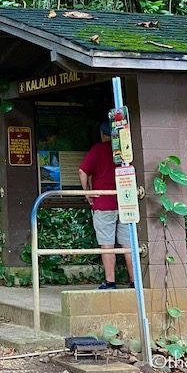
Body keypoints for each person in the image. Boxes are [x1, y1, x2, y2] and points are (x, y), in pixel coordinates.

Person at [78, 120, 135, 290]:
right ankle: (134, 281)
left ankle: (110, 282)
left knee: (107, 244)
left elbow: (82, 171)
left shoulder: (98, 149)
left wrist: (87, 192)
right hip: (125, 202)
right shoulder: (125, 151)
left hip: (103, 203)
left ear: (103, 135)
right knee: (128, 244)